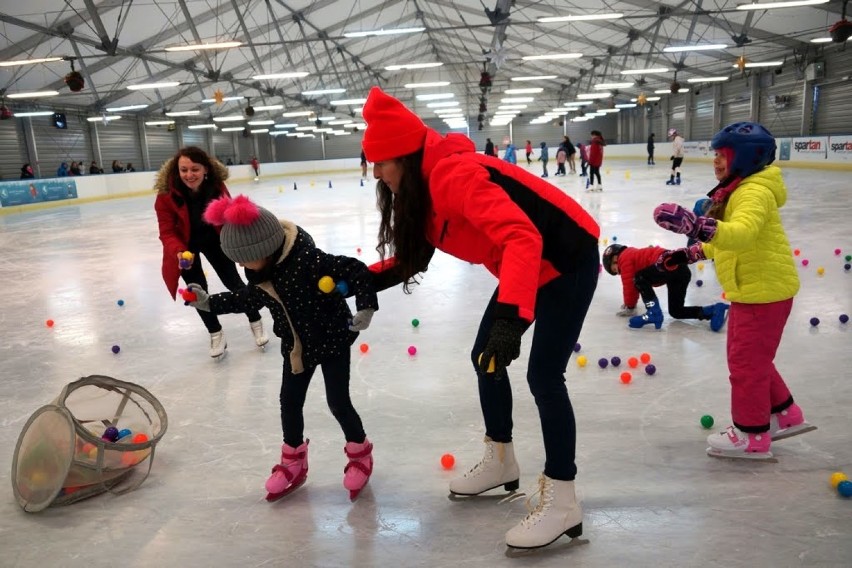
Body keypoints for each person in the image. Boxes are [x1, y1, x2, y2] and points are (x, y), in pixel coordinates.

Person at [361, 87, 600, 551]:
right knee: (484, 356)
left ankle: (564, 498)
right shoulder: (424, 189)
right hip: (530, 263)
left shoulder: (453, 176)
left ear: (405, 158)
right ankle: (501, 459)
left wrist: (511, 318)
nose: (376, 172)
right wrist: (359, 279)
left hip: (567, 258)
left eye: (381, 162)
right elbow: (419, 252)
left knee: (544, 375)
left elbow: (520, 237)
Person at [183, 194, 379, 501]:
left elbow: (356, 270)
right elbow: (244, 299)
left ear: (263, 248)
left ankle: (360, 453)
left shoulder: (310, 260)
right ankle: (293, 461)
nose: (240, 265)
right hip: (296, 347)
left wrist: (365, 307)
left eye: (243, 258)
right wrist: (208, 302)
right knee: (289, 402)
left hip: (332, 339)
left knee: (338, 402)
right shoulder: (262, 274)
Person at [653, 122, 815, 460]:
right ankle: (785, 414)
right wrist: (689, 253)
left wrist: (697, 227)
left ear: (744, 157)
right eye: (715, 154)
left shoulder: (753, 192)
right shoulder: (738, 189)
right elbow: (728, 243)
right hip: (757, 288)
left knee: (745, 365)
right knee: (754, 359)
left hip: (763, 291)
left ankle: (751, 435)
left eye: (722, 155)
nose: (716, 161)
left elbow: (739, 235)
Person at [154, 146, 268, 359]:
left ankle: (255, 320)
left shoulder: (216, 187)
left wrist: (242, 244)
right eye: (184, 170)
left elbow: (230, 217)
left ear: (205, 169)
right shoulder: (166, 196)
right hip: (185, 248)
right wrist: (179, 252)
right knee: (196, 291)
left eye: (194, 169)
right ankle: (215, 333)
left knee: (233, 282)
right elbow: (166, 231)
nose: (189, 175)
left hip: (216, 241)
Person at [601, 243, 729, 331]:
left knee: (639, 277)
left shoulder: (625, 257)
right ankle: (712, 310)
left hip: (667, 265)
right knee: (676, 311)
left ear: (615, 258)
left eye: (616, 270)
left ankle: (654, 313)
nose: (619, 272)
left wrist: (629, 306)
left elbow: (629, 284)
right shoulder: (633, 254)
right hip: (680, 269)